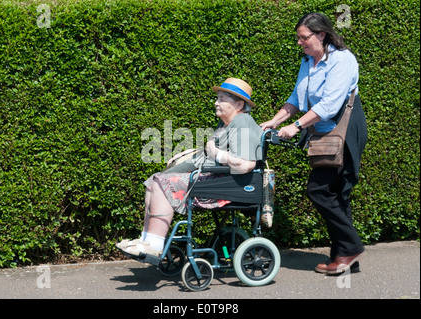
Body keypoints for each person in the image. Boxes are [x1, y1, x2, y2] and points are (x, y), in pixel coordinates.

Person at [261, 13, 367, 275]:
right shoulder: (308, 61)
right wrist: (274, 121)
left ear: (321, 34)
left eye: (304, 37)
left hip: (344, 130)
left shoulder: (342, 60)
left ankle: (351, 248)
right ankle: (343, 257)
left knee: (319, 190)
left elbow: (330, 105)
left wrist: (296, 127)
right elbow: (296, 99)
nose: (300, 43)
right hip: (324, 133)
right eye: (298, 38)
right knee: (338, 193)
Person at [117, 78, 264, 257]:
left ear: (239, 104)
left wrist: (215, 153)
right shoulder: (226, 124)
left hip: (225, 184)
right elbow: (214, 150)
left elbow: (246, 165)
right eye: (217, 98)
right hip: (213, 178)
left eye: (222, 99)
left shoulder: (243, 122)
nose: (216, 103)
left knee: (161, 183)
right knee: (152, 183)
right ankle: (146, 240)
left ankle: (154, 245)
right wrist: (190, 153)